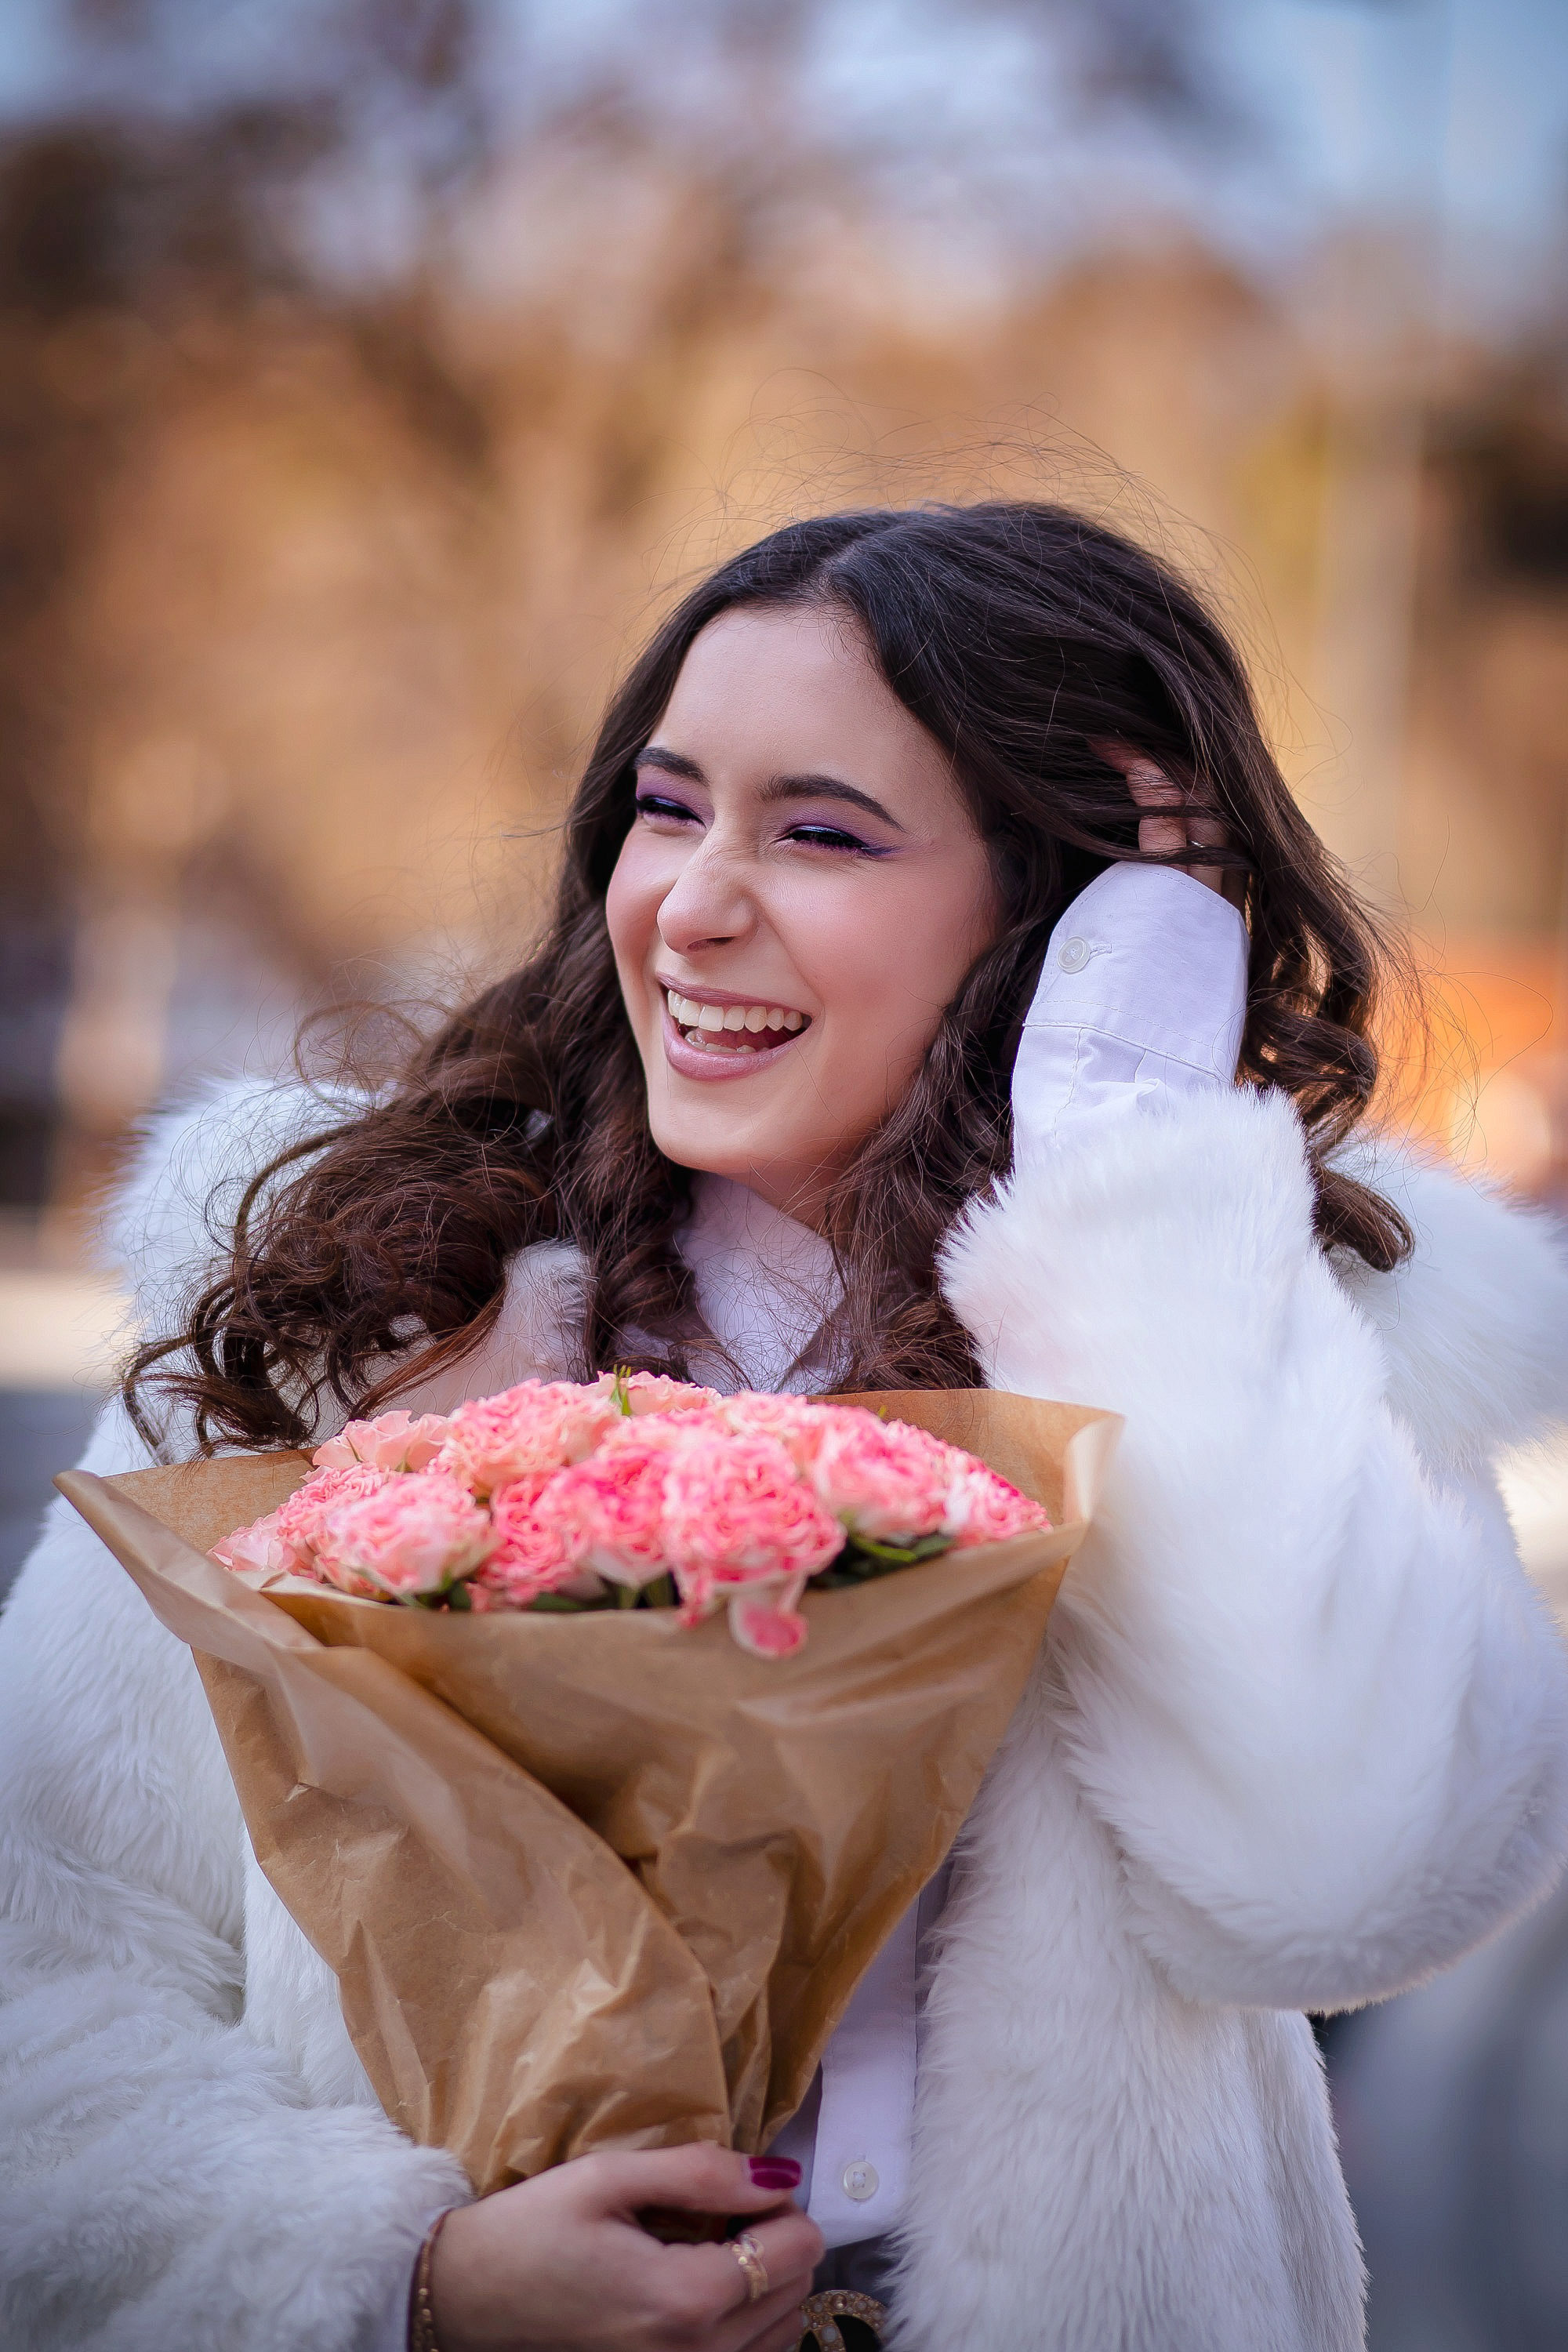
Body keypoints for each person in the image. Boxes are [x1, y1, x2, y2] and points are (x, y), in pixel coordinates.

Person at [2, 502, 1566, 2352]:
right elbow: (48, 1976)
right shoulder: (356, 1295)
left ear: (1057, 917)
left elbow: (1348, 1887)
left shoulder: (1258, 1329)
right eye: (669, 810)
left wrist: (1131, 1172)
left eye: (818, 833)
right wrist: (398, 2279)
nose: (694, 902)